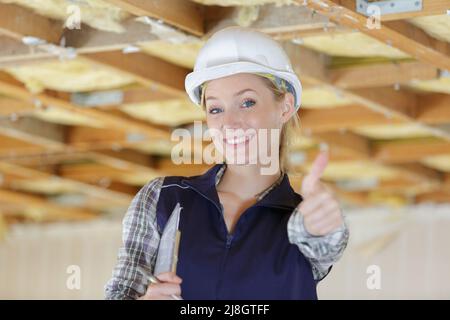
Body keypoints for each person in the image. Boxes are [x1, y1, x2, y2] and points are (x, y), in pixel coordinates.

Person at [105, 26, 349, 300]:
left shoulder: (301, 220)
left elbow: (326, 243)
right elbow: (120, 293)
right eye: (216, 109)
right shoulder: (164, 199)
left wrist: (327, 223)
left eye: (247, 102)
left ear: (285, 106)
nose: (230, 123)